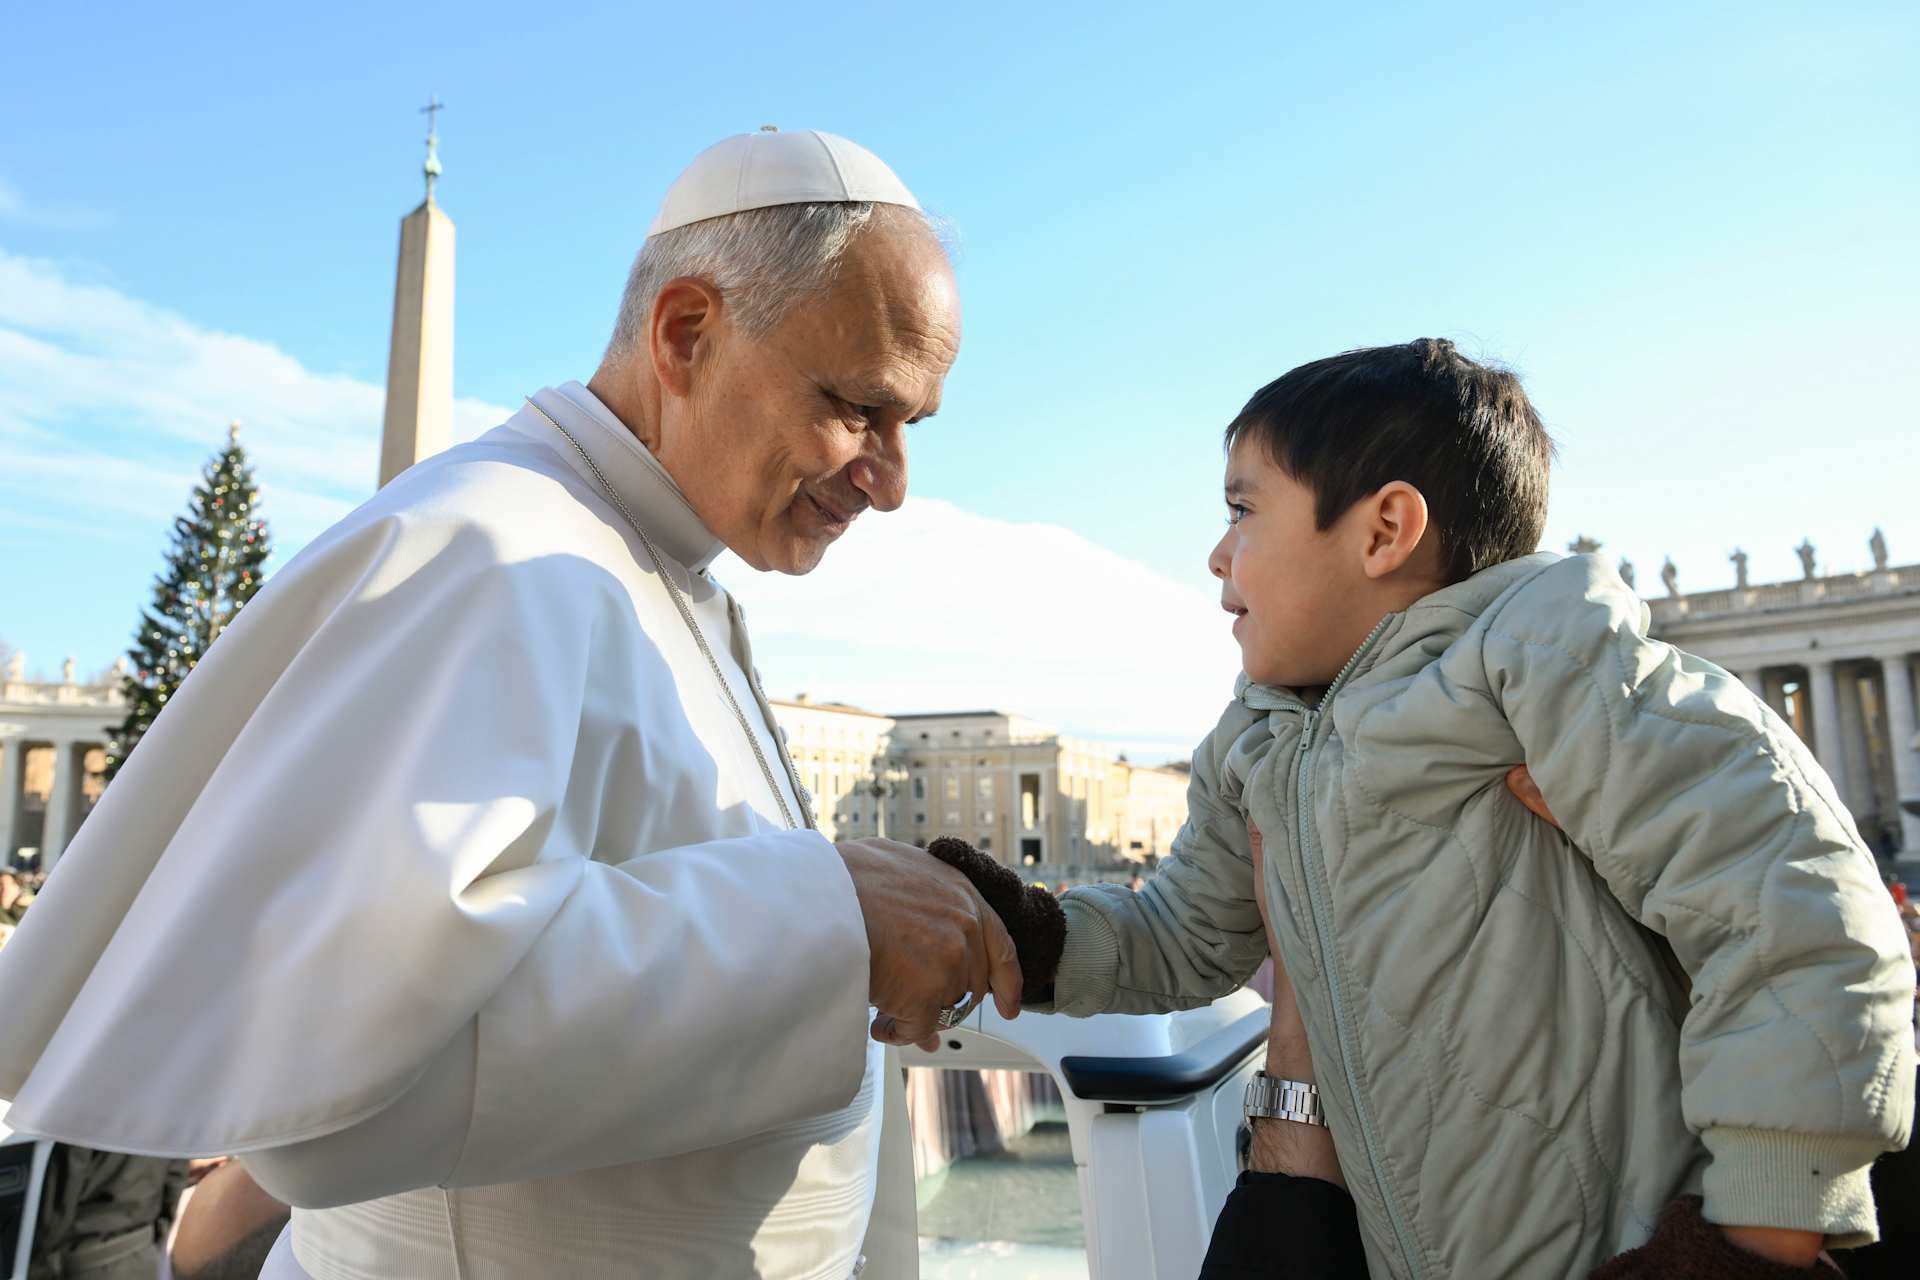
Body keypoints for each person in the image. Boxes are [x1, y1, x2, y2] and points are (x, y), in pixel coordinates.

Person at [0, 127, 1021, 1279]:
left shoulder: (664, 571)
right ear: (687, 334)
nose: (890, 483)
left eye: (909, 429)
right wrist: (832, 914)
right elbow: (332, 1085)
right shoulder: (483, 549)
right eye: (858, 410)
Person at [1031, 340, 1914, 1275]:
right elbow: (1181, 936)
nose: (1216, 553)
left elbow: (1795, 905)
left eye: (1242, 511)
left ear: (1384, 531)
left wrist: (1755, 1236)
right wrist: (1020, 936)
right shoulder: (1253, 741)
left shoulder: (1549, 665)